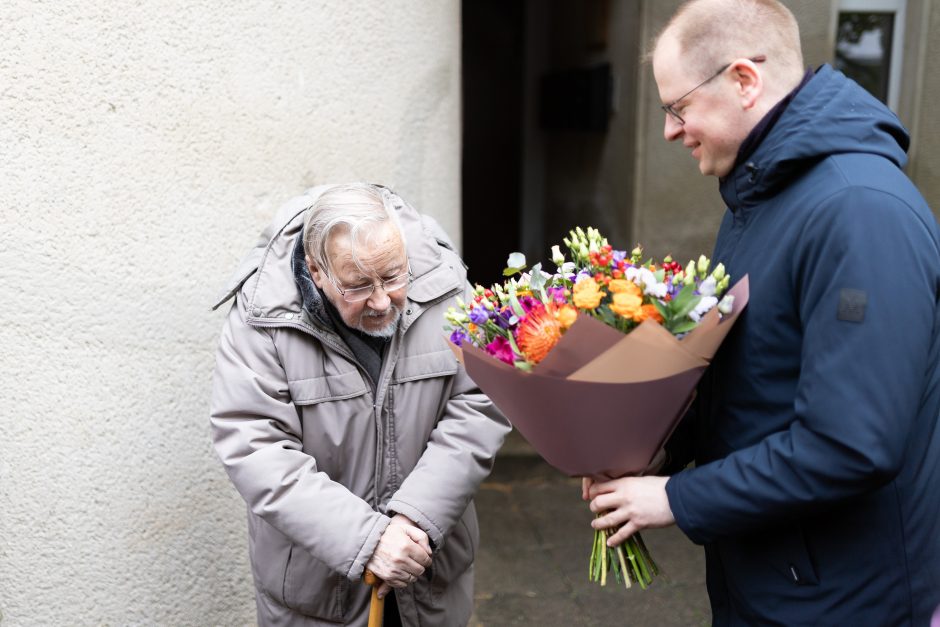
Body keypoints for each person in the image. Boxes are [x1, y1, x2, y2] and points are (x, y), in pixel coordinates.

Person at [584, 0, 940, 623]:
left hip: (847, 596)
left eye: (678, 107)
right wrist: (658, 450)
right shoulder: (761, 200)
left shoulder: (859, 212)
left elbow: (851, 445)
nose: (671, 129)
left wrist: (675, 497)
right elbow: (750, 373)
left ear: (744, 80)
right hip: (780, 576)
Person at [210, 182, 510, 626]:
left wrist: (415, 517)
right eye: (358, 286)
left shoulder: (443, 281)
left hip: (426, 567)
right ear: (315, 271)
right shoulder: (264, 317)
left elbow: (481, 399)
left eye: (393, 276)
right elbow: (256, 447)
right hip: (318, 589)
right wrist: (367, 540)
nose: (382, 301)